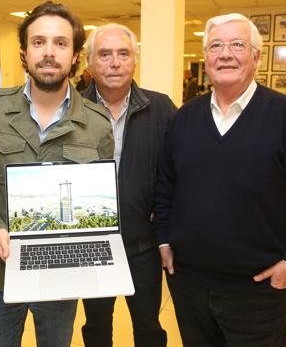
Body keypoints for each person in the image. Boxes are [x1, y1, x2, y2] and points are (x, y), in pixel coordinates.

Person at [153, 13, 286, 347]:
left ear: (256, 56)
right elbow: (165, 186)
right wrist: (164, 239)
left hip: (258, 291)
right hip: (189, 285)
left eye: (237, 44)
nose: (225, 53)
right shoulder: (185, 118)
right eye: (215, 46)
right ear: (206, 59)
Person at [0, 1, 114, 347]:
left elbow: (99, 199)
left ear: (75, 56)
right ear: (24, 52)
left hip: (60, 277)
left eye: (60, 43)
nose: (49, 52)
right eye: (39, 42)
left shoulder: (97, 125)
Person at [80, 23, 175, 347]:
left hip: (144, 245)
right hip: (92, 244)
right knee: (96, 326)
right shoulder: (71, 111)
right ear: (89, 64)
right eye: (105, 55)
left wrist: (166, 222)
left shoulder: (161, 109)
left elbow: (178, 172)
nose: (115, 62)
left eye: (123, 54)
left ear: (135, 61)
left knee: (148, 325)